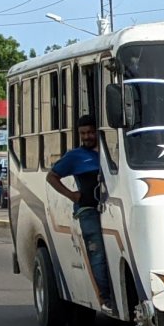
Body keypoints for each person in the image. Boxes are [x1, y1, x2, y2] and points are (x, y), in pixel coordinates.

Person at [46, 114, 114, 315]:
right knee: (97, 253)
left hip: (113, 210)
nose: (87, 136)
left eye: (91, 132)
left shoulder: (111, 153)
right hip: (88, 211)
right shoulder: (75, 156)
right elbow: (52, 177)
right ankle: (106, 298)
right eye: (83, 133)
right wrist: (72, 195)